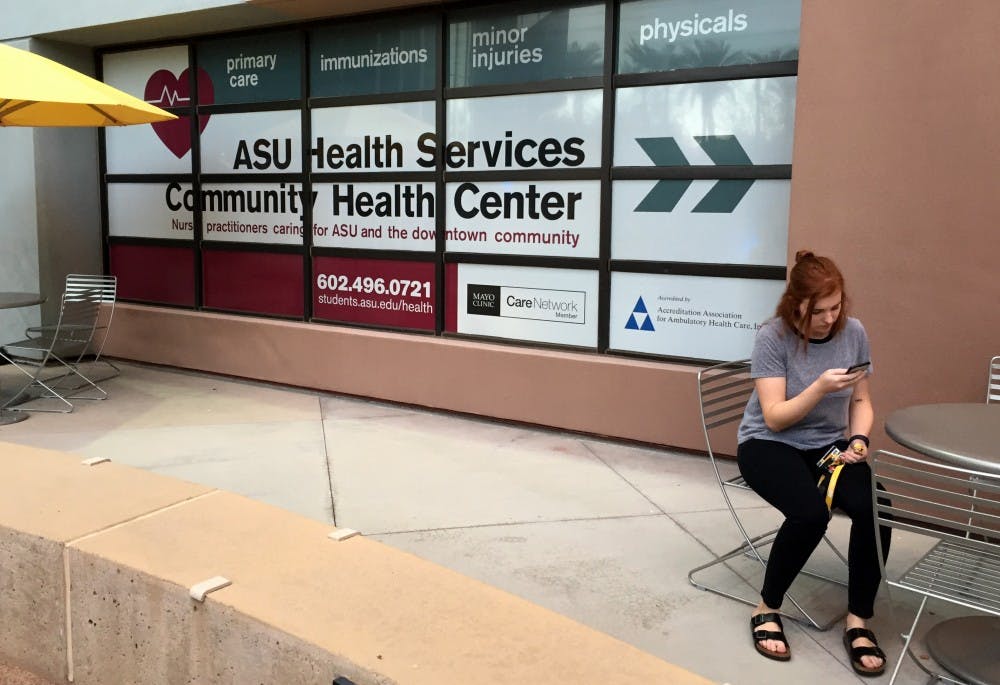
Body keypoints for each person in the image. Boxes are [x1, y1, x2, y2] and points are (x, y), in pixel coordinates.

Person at [736, 250, 890, 677]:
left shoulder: (853, 332)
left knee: (877, 508)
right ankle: (766, 607)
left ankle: (859, 619)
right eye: (818, 310)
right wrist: (821, 387)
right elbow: (775, 416)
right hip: (769, 444)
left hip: (828, 447)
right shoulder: (773, 337)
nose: (828, 318)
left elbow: (861, 400)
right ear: (795, 305)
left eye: (836, 306)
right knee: (809, 514)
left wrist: (858, 439)